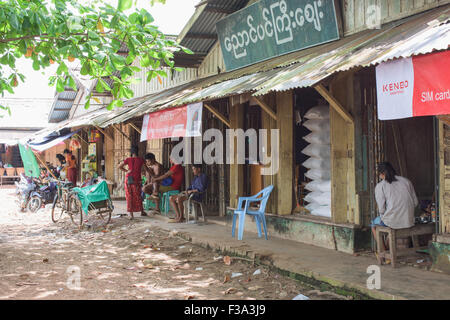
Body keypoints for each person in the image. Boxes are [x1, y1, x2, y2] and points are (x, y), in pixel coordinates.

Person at [371, 162, 419, 254]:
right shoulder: (406, 181)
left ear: (382, 174)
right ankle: (388, 251)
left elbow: (381, 209)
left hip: (392, 221)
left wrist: (385, 216)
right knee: (389, 222)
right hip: (409, 220)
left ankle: (384, 252)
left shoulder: (381, 186)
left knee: (373, 225)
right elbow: (415, 202)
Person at [118, 146, 148, 219]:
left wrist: (126, 171)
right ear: (138, 151)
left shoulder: (128, 159)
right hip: (136, 180)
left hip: (128, 179)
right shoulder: (141, 160)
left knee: (129, 196)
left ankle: (131, 215)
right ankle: (142, 211)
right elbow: (146, 169)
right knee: (138, 195)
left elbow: (119, 166)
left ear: (131, 153)